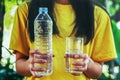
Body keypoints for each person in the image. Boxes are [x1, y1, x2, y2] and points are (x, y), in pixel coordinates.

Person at [9, 0, 117, 80]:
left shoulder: (98, 15)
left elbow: (97, 72)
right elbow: (19, 64)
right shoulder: (26, 10)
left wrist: (87, 64)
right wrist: (29, 65)